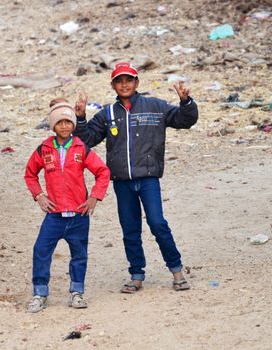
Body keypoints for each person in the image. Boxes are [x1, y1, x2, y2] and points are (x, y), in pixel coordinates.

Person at [74, 62, 198, 293]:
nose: (124, 84)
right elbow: (87, 139)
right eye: (119, 81)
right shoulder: (108, 114)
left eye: (129, 80)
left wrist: (186, 103)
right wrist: (81, 118)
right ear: (113, 85)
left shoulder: (155, 106)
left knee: (157, 223)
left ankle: (177, 270)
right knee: (130, 228)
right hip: (122, 182)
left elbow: (184, 120)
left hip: (148, 178)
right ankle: (137, 274)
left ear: (137, 83)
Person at [24, 100, 110, 312]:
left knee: (79, 254)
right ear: (53, 125)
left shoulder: (82, 148)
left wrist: (94, 197)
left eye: (68, 122)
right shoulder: (44, 149)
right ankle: (40, 292)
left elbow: (103, 172)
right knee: (41, 250)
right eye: (59, 122)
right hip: (54, 215)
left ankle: (77, 292)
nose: (64, 126)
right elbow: (30, 174)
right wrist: (39, 196)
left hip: (79, 214)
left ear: (73, 124)